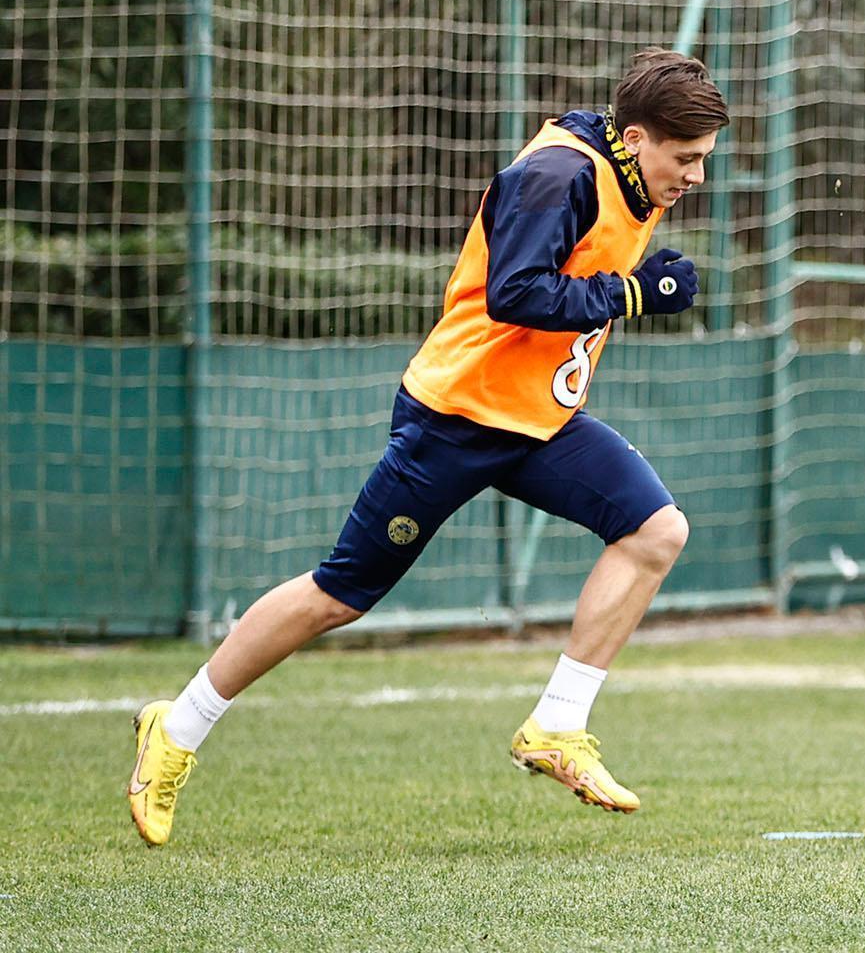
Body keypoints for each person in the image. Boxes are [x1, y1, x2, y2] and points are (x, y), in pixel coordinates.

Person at [127, 49, 729, 845]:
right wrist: (633, 292)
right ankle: (178, 727)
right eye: (685, 159)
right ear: (639, 136)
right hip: (455, 418)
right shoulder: (560, 174)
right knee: (340, 593)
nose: (694, 177)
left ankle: (557, 726)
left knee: (656, 531)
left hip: (537, 423)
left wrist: (634, 283)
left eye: (704, 161)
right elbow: (516, 291)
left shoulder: (627, 173)